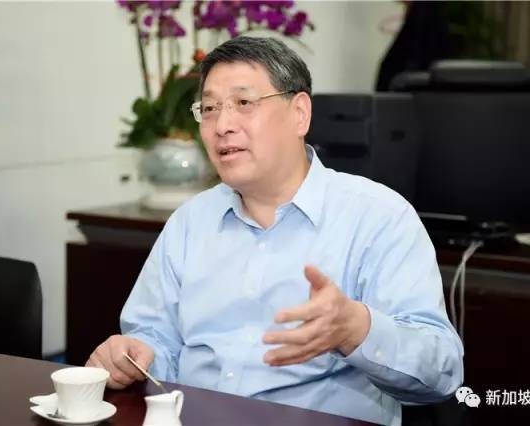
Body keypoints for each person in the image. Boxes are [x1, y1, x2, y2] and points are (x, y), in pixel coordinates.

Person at [86, 36, 464, 426]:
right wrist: (136, 354)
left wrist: (357, 329)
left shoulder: (379, 217)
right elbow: (157, 340)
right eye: (210, 109)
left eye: (244, 103)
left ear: (299, 113)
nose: (222, 126)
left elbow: (443, 371)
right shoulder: (190, 222)